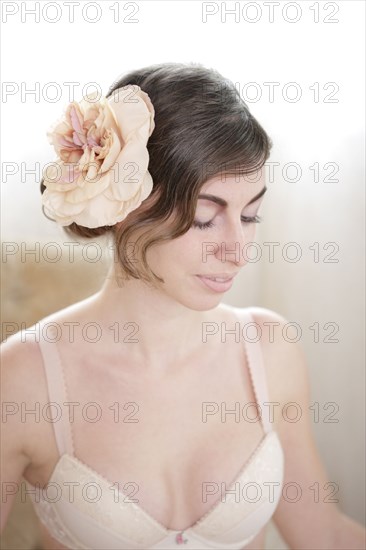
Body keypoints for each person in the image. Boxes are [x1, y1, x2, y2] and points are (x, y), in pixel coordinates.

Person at [1, 62, 365, 550]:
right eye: (204, 220)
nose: (239, 250)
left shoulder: (267, 350)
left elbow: (322, 535)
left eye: (251, 214)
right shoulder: (26, 376)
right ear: (125, 205)